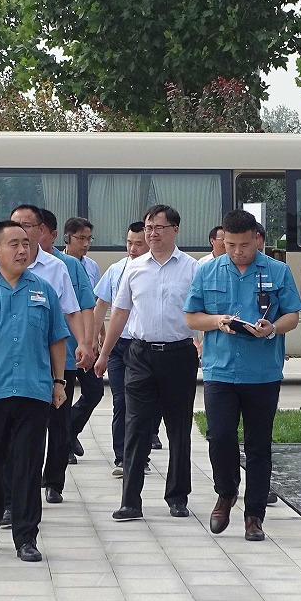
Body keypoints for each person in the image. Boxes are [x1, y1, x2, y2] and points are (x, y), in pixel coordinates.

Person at [0, 220, 69, 563]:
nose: (22, 250)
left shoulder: (43, 290)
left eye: (26, 243)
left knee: (28, 465)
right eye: (13, 244)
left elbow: (57, 339)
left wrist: (59, 382)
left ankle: (26, 536)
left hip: (34, 391)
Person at [184, 208, 301, 542]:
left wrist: (272, 328)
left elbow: (293, 315)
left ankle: (254, 516)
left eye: (244, 245)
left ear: (257, 239)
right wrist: (216, 321)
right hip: (220, 370)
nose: (237, 251)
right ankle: (226, 493)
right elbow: (191, 317)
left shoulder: (277, 271)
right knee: (219, 435)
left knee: (258, 444)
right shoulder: (207, 271)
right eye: (230, 244)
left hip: (262, 372)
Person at [95, 205, 198, 522]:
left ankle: (177, 497)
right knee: (136, 426)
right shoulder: (134, 268)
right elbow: (120, 313)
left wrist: (202, 344)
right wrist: (103, 354)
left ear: (175, 230)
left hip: (179, 354)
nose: (152, 233)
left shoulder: (192, 268)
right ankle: (130, 501)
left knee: (178, 428)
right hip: (140, 355)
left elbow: (202, 312)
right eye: (149, 227)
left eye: (159, 228)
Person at [37, 208, 96, 490]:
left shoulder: (68, 265)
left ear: (51, 234)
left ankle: (54, 481)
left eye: (33, 228)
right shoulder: (12, 263)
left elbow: (84, 306)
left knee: (59, 421)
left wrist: (86, 342)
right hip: (29, 357)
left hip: (64, 355)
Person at [91, 221, 147, 475]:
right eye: (129, 243)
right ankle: (122, 457)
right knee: (120, 401)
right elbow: (101, 305)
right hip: (117, 346)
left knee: (141, 404)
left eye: (138, 244)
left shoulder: (152, 272)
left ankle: (140, 454)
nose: (133, 249)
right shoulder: (116, 269)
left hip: (141, 346)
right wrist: (94, 340)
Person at [62, 216, 105, 456]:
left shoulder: (91, 267)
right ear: (67, 238)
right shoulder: (59, 265)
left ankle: (69, 431)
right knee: (64, 395)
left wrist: (98, 335)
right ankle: (64, 444)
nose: (86, 244)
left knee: (94, 391)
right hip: (66, 341)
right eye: (81, 238)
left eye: (89, 238)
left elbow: (95, 304)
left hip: (88, 340)